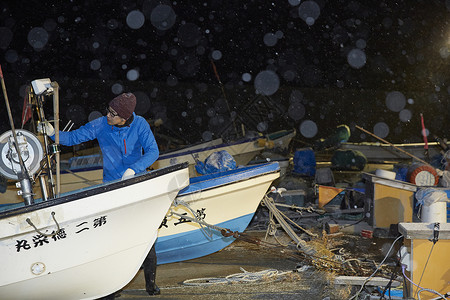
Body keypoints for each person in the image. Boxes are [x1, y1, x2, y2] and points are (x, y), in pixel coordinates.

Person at [38, 92, 161, 297]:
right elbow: (74, 137)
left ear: (125, 117)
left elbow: (153, 152)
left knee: (146, 233)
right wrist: (53, 132)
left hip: (136, 183)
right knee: (113, 238)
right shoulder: (101, 124)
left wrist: (134, 169)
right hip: (111, 187)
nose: (107, 115)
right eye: (108, 110)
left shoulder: (139, 125)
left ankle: (151, 283)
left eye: (113, 114)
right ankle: (112, 287)